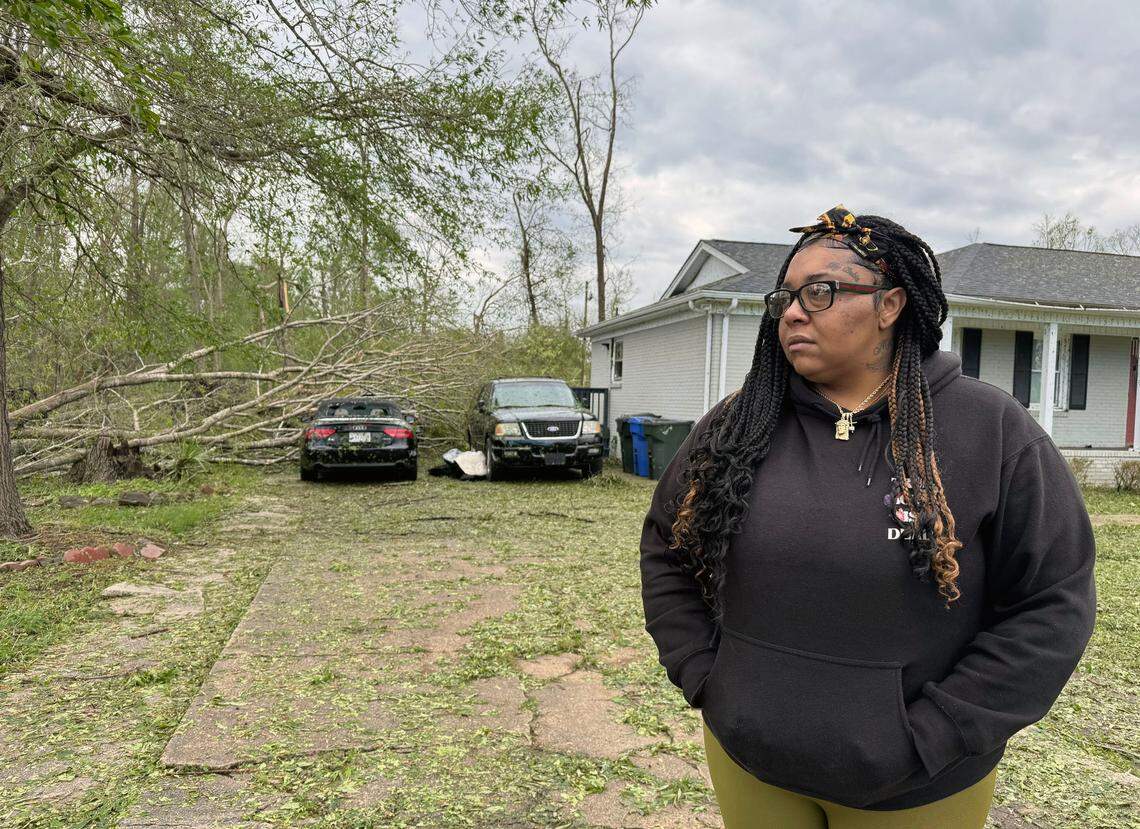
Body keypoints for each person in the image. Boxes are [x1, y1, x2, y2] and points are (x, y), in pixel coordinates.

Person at [639, 205, 1098, 827]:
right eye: (785, 298)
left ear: (890, 305)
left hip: (916, 784)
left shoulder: (990, 430)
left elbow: (1053, 602)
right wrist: (705, 675)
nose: (792, 312)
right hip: (749, 760)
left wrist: (938, 732)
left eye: (820, 292)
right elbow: (667, 546)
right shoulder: (737, 425)